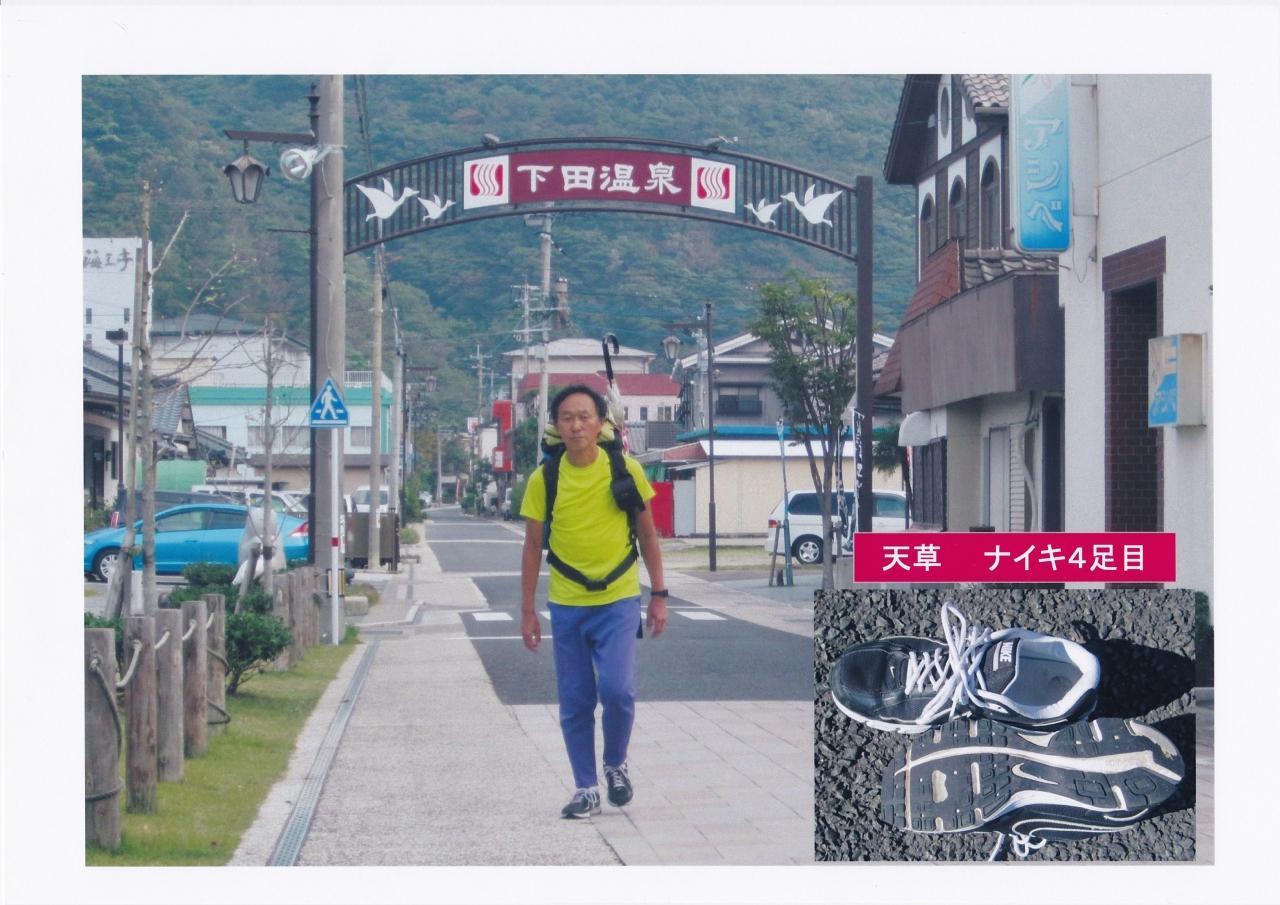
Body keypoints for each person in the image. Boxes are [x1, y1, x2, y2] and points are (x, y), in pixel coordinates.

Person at [520, 384, 668, 819]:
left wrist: (659, 595)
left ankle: (615, 764)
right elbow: (532, 546)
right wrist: (528, 610)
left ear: (601, 422)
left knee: (618, 690)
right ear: (556, 425)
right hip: (566, 603)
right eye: (567, 417)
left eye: (585, 416)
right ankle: (586, 788)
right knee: (576, 699)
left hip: (618, 598)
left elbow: (648, 535)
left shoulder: (625, 471)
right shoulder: (545, 479)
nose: (576, 425)